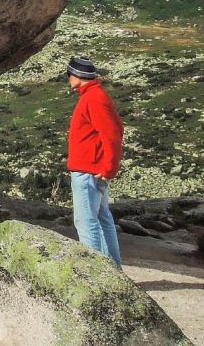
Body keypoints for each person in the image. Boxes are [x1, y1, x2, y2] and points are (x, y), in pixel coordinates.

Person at [66, 56, 124, 268]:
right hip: (95, 169)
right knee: (102, 219)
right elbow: (117, 128)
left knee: (85, 222)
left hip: (88, 170)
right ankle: (113, 271)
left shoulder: (93, 98)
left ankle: (95, 274)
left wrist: (109, 168)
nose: (68, 79)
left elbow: (112, 134)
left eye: (68, 75)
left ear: (76, 76)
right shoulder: (97, 95)